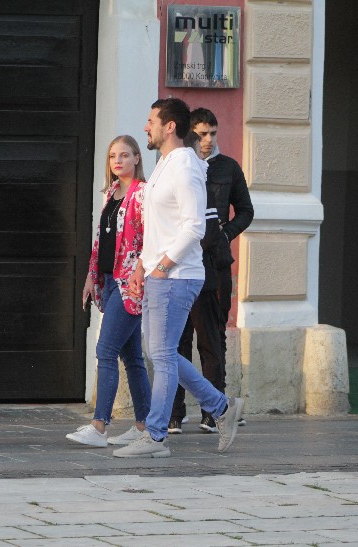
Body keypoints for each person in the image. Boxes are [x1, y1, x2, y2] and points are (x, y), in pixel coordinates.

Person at [113, 98, 244, 459]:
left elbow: (194, 227)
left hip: (177, 276)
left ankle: (156, 436)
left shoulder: (185, 166)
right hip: (161, 274)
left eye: (151, 121)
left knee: (162, 355)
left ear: (169, 126)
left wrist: (162, 266)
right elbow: (160, 227)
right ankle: (222, 407)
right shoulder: (165, 164)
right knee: (162, 353)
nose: (146, 127)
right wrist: (143, 266)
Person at [169, 108, 255, 434]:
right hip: (181, 263)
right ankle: (174, 413)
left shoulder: (228, 167)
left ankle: (213, 412)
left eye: (213, 133)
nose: (208, 140)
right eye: (202, 134)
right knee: (177, 339)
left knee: (213, 338)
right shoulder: (179, 167)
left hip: (215, 265)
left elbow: (245, 211)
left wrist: (225, 234)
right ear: (190, 134)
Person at [66, 135, 153, 447]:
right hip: (108, 280)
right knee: (132, 357)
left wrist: (140, 271)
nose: (118, 160)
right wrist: (91, 276)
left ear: (137, 158)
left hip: (129, 285)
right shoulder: (112, 193)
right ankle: (144, 426)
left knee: (105, 350)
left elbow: (152, 240)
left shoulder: (143, 194)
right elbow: (102, 241)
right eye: (113, 155)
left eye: (125, 155)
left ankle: (99, 426)